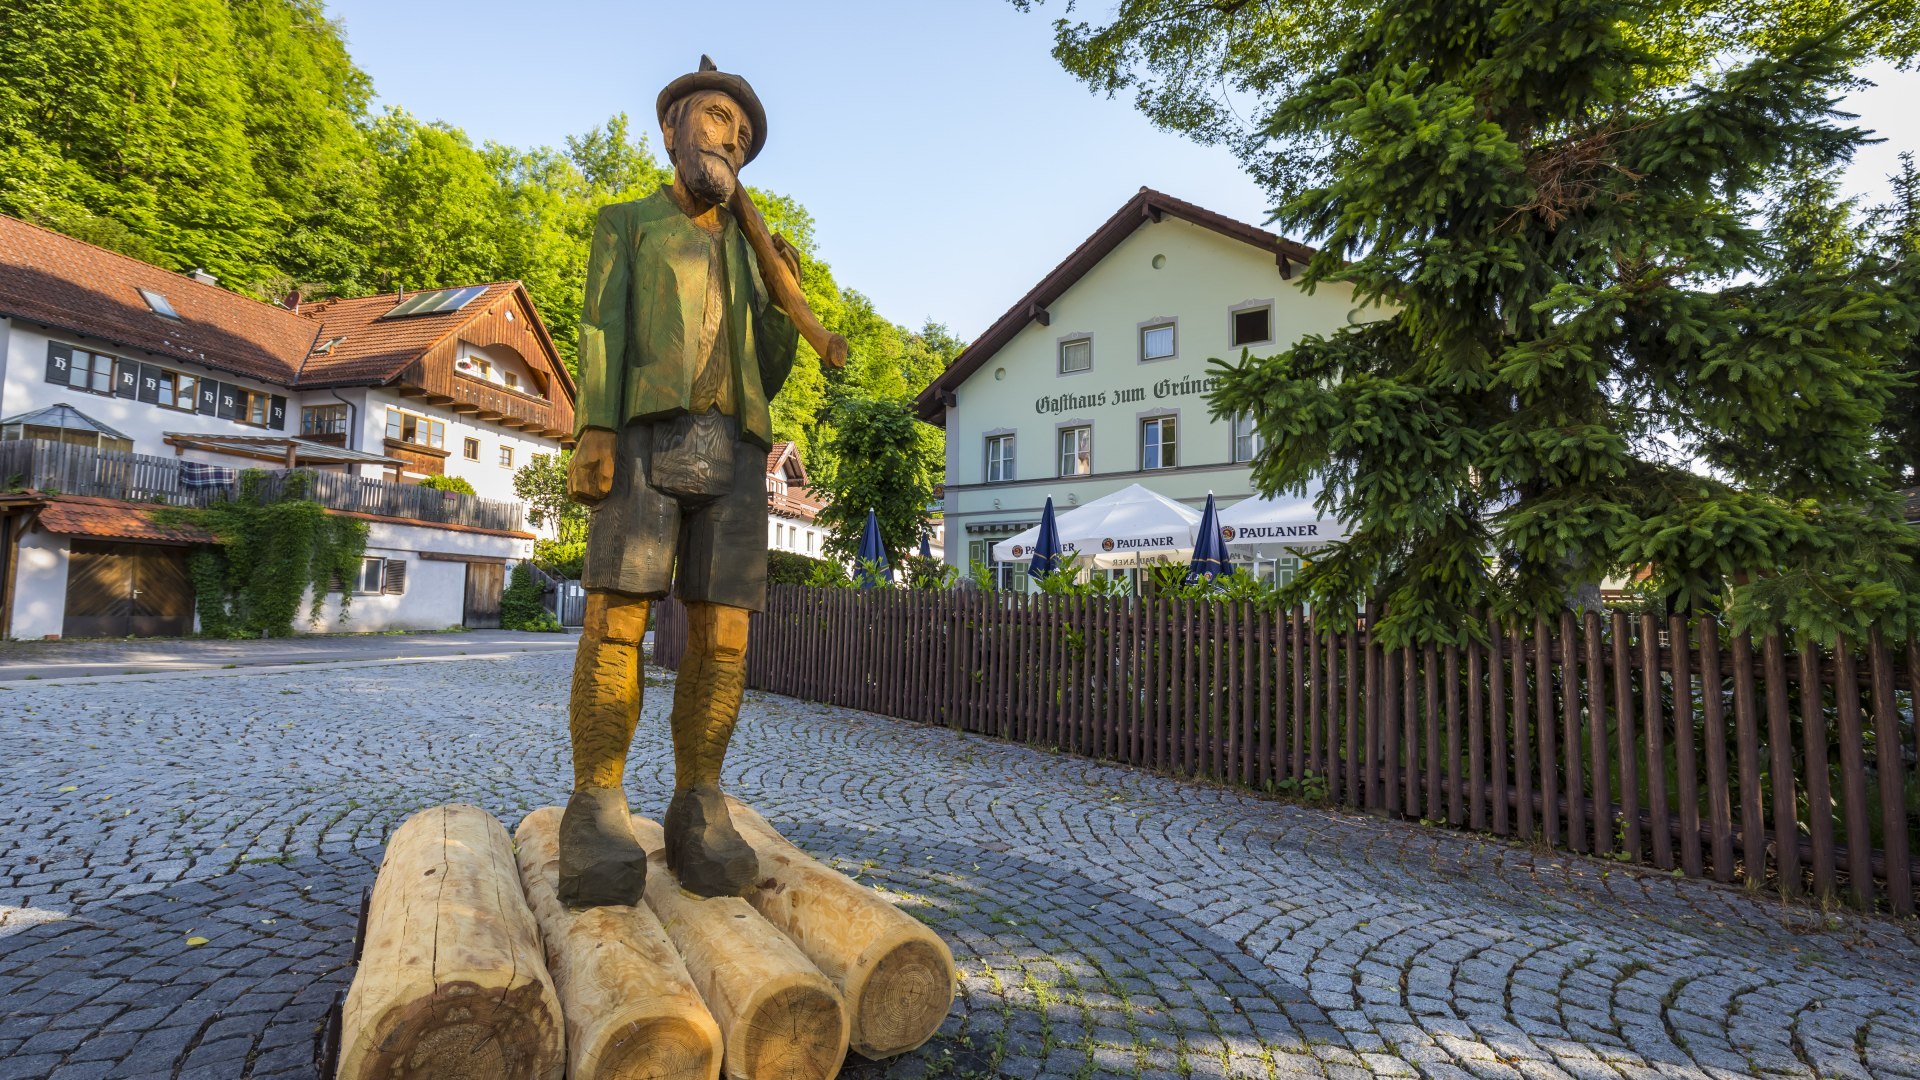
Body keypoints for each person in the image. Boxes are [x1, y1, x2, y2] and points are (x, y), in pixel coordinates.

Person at [558, 56, 801, 905]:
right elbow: (598, 326)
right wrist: (593, 425)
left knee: (725, 638)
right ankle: (596, 803)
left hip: (734, 454)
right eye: (715, 119)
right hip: (643, 440)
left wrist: (785, 310)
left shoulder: (751, 253)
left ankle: (700, 799)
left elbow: (768, 373)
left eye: (742, 132)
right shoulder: (626, 223)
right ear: (671, 129)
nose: (730, 137)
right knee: (616, 620)